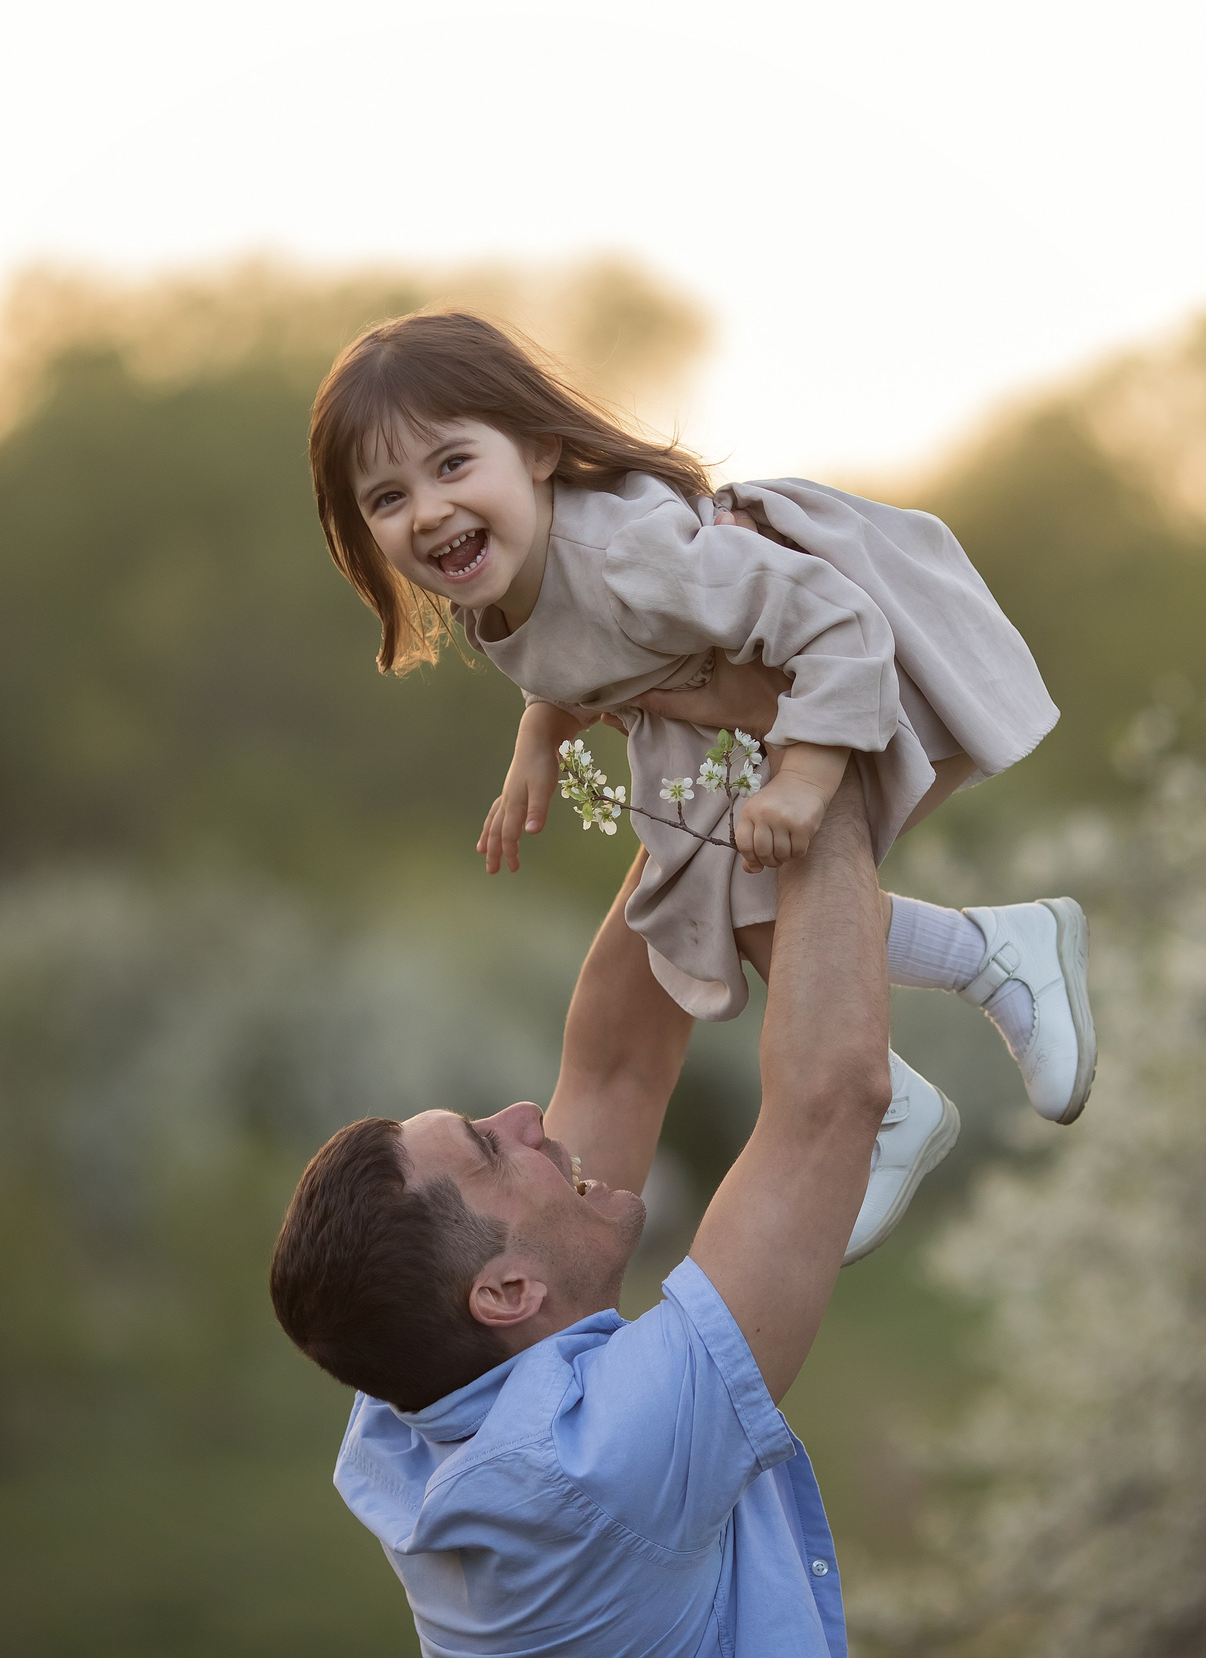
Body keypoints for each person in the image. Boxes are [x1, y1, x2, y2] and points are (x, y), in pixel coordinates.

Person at [306, 311, 1096, 1252]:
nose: (427, 510)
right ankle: (985, 968)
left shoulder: (634, 558)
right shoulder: (496, 589)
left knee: (749, 885)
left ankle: (924, 1046)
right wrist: (535, 744)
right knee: (725, 898)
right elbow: (570, 662)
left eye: (451, 465)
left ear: (540, 451)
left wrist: (805, 774)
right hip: (737, 711)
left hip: (847, 648)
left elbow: (836, 622)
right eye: (387, 497)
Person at [273, 751, 902, 1658]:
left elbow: (619, 1065)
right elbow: (836, 1097)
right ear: (507, 1291)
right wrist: (818, 750)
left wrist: (696, 765)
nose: (528, 1118)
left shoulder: (425, 1375)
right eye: (492, 1149)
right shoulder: (598, 1469)